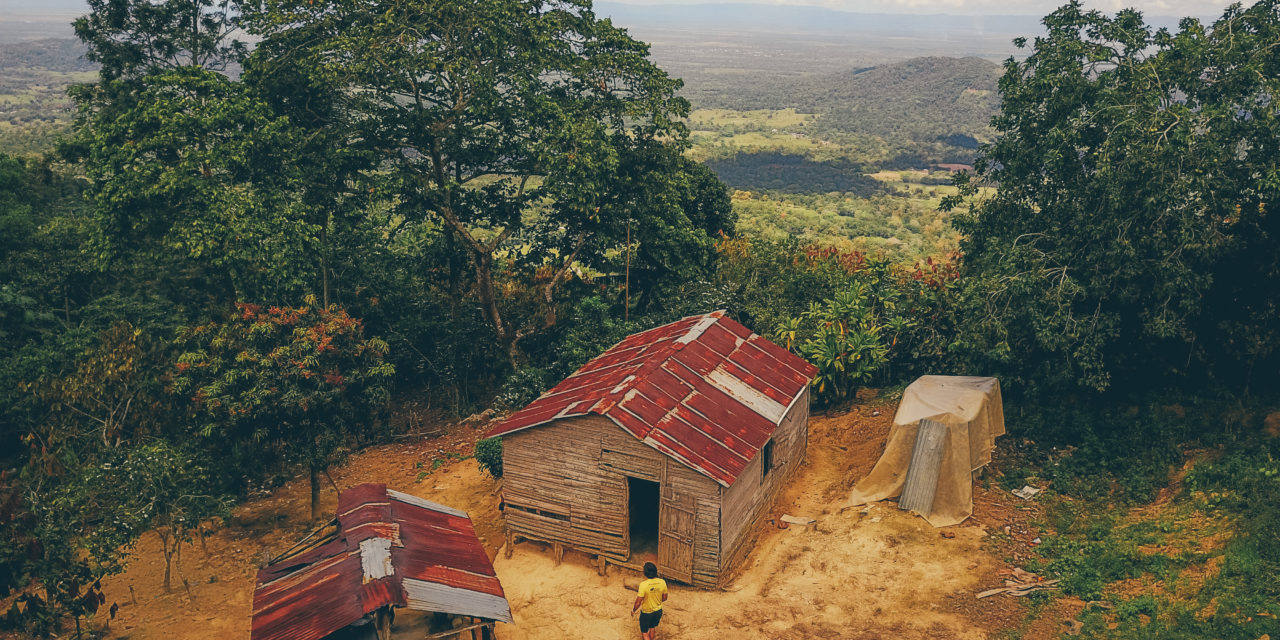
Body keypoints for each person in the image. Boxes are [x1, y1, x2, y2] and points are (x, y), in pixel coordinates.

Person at [631, 562, 668, 640]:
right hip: (658, 611)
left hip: (647, 613)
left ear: (645, 573)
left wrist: (633, 610)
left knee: (644, 632)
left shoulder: (643, 585)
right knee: (652, 627)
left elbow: (638, 602)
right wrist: (656, 600)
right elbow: (665, 598)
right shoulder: (662, 582)